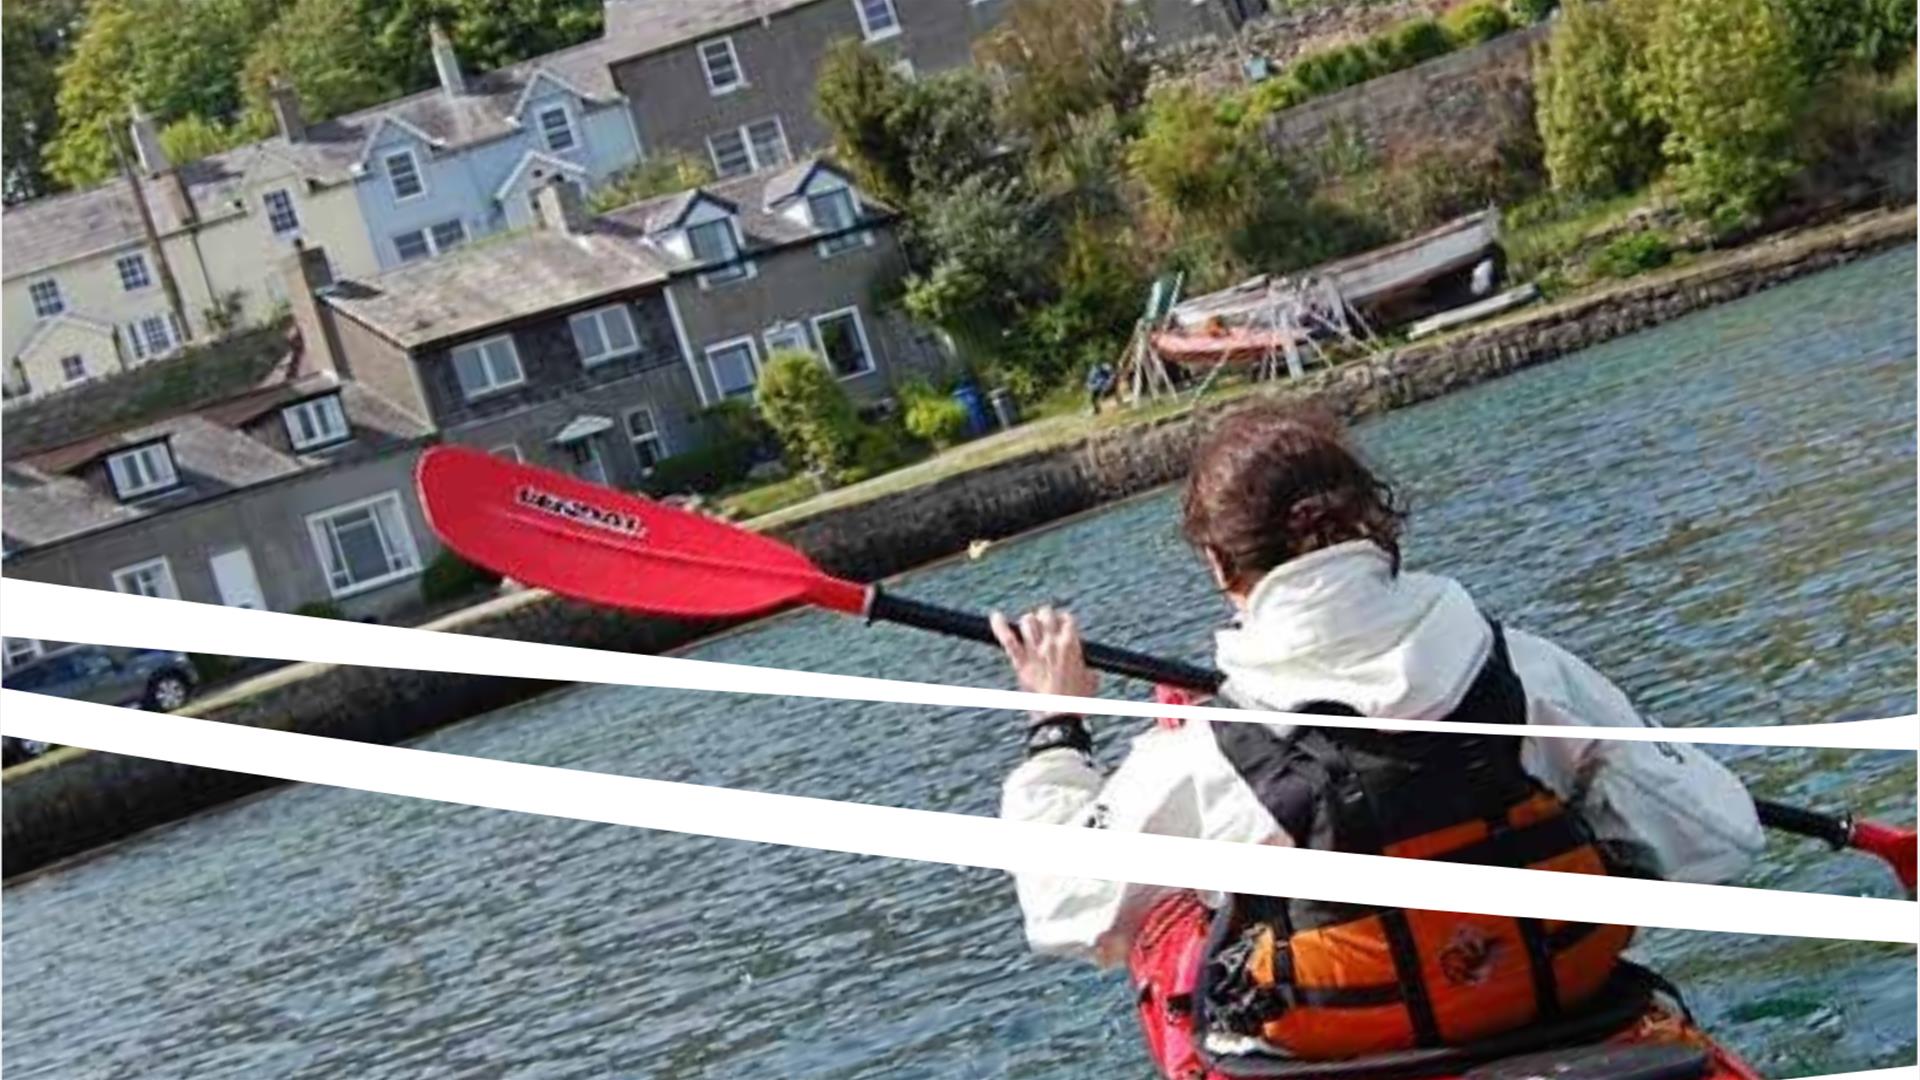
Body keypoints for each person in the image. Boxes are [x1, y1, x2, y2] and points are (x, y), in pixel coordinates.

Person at [990, 402, 1763, 1063]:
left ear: (1220, 565)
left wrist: (1055, 728)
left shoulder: (1204, 752)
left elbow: (1066, 908)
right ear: (1376, 523)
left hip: (1343, 1057)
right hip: (1569, 1021)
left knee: (1178, 932)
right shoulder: (1527, 670)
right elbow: (1720, 836)